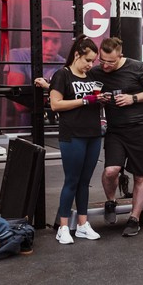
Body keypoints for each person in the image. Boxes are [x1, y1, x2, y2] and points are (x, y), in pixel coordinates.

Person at [89, 37, 143, 237]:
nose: (105, 65)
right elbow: (75, 81)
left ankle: (134, 219)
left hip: (140, 127)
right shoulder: (96, 72)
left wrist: (134, 98)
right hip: (115, 130)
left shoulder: (136, 67)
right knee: (110, 171)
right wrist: (99, 99)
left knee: (140, 175)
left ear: (120, 56)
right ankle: (110, 202)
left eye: (110, 62)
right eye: (102, 60)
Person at [50, 35, 102, 245]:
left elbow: (91, 100)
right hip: (72, 134)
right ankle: (63, 227)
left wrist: (99, 99)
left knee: (85, 182)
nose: (90, 65)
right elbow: (56, 104)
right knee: (71, 180)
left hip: (93, 134)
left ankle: (82, 224)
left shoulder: (91, 77)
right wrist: (84, 101)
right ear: (77, 55)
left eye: (93, 61)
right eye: (88, 60)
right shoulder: (62, 75)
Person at [6, 16, 65, 125]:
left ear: (61, 43)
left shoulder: (64, 64)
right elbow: (19, 103)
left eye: (55, 41)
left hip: (58, 127)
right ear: (35, 40)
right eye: (45, 39)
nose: (50, 47)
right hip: (26, 128)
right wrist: (55, 96)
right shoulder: (18, 55)